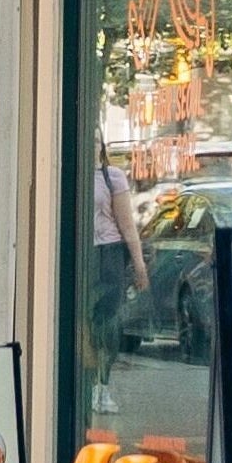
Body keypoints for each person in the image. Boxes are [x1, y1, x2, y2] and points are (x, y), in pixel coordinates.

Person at [87, 142, 149, 417]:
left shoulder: (112, 177)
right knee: (83, 325)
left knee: (107, 325)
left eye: (95, 139)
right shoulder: (68, 174)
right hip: (82, 253)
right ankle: (85, 385)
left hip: (108, 254)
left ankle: (102, 387)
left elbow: (126, 224)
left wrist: (138, 264)